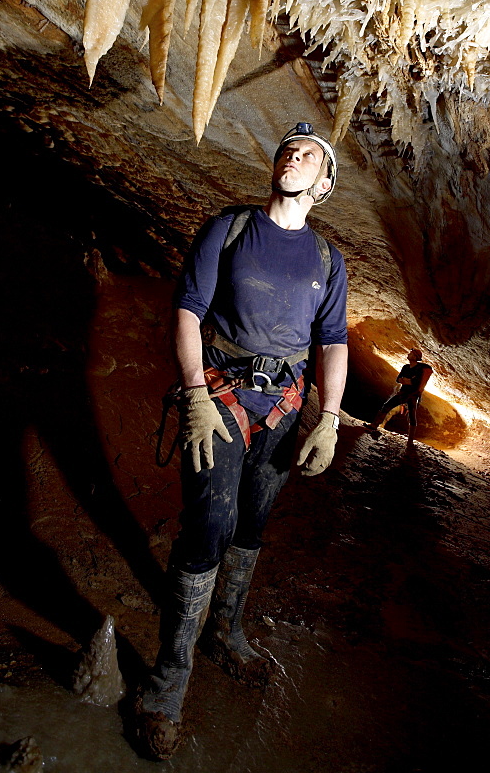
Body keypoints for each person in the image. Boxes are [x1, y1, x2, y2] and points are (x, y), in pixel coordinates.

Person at [134, 122, 348, 761]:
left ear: (323, 183)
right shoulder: (228, 229)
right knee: (210, 523)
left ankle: (224, 627)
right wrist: (194, 394)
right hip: (222, 395)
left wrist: (330, 418)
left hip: (284, 405)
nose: (294, 156)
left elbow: (332, 342)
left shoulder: (326, 261)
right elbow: (189, 309)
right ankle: (166, 686)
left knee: (252, 521)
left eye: (309, 155)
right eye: (289, 149)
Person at [370, 349, 432, 451]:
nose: (408, 354)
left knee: (411, 416)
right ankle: (374, 425)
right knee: (387, 405)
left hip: (412, 395)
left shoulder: (419, 369)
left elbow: (415, 383)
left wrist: (407, 380)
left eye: (411, 353)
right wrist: (407, 381)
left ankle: (410, 440)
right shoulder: (405, 367)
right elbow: (398, 379)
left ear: (415, 357)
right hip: (403, 393)